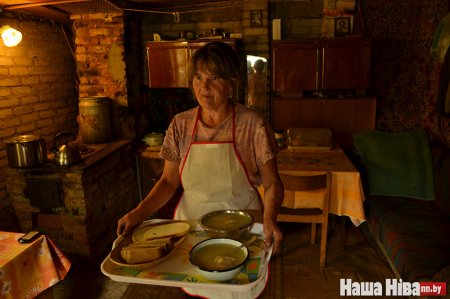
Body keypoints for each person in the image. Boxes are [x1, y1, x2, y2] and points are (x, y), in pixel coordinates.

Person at [116, 42, 284, 298]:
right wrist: (139, 213)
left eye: (214, 78)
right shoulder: (180, 125)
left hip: (243, 233)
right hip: (192, 232)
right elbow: (168, 182)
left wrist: (270, 219)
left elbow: (272, 183)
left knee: (236, 290)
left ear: (231, 83)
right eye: (198, 77)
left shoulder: (253, 124)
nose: (203, 87)